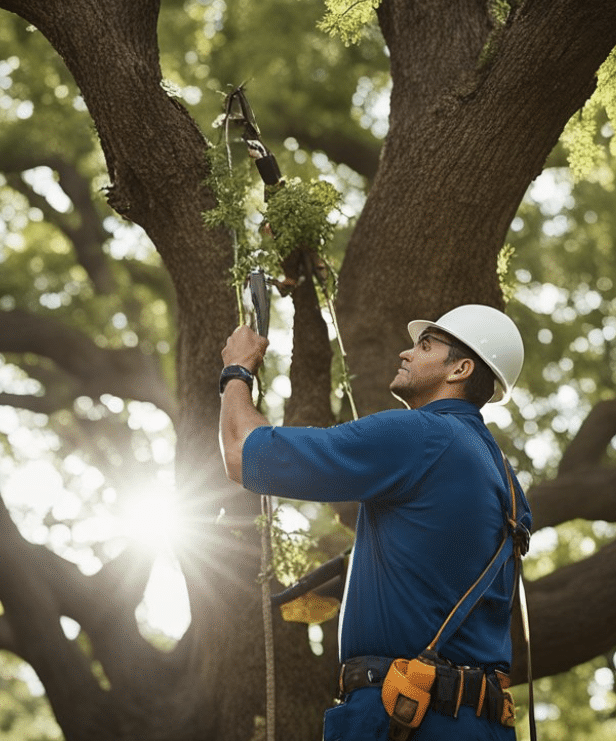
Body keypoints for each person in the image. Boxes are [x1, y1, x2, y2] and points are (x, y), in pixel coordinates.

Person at [219, 304, 533, 741]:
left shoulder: (421, 435)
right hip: (479, 726)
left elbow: (242, 454)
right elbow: (437, 560)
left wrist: (237, 370)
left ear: (460, 369)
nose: (406, 353)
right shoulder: (502, 473)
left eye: (425, 345)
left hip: (404, 718)